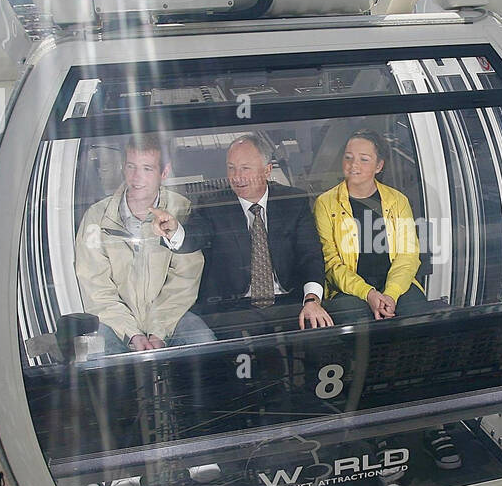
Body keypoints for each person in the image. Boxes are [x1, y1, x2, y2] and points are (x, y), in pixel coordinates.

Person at [166, 134, 332, 333]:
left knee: (318, 334)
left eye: (245, 168)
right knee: (240, 351)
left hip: (288, 299)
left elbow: (310, 255)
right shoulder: (214, 205)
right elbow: (194, 235)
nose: (237, 176)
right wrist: (174, 230)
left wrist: (312, 300)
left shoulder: (293, 201)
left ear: (267, 170)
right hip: (234, 306)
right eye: (231, 167)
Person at [75, 133, 215, 354]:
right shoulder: (97, 217)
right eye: (131, 167)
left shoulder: (181, 210)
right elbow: (96, 286)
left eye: (147, 169)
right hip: (114, 323)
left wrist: (158, 331)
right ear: (123, 166)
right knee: (95, 359)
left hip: (171, 319)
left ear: (164, 172)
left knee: (204, 342)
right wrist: (132, 333)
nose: (137, 177)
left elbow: (185, 280)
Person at [313, 130, 430, 324]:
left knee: (417, 316)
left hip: (395, 284)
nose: (353, 165)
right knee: (353, 318)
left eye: (364, 159)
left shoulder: (398, 201)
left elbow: (408, 255)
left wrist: (390, 294)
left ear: (379, 166)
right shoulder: (325, 203)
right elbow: (331, 263)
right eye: (348, 157)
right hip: (349, 289)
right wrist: (368, 293)